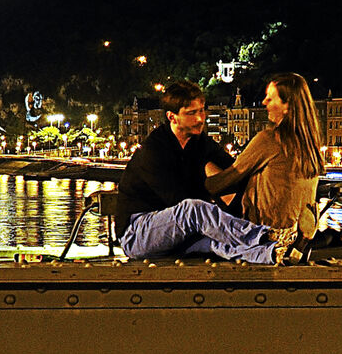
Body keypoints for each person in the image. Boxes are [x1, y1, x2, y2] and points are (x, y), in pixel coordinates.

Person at [113, 81, 277, 263]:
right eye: (191, 113)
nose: (200, 118)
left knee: (217, 243)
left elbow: (234, 172)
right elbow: (178, 201)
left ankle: (274, 253)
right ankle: (266, 236)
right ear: (172, 117)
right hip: (137, 233)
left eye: (201, 110)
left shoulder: (201, 143)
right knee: (193, 210)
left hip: (180, 231)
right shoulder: (154, 150)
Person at [205, 72, 326, 260]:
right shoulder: (311, 145)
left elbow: (222, 182)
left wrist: (197, 180)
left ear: (287, 105)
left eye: (270, 98)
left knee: (195, 208)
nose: (264, 102)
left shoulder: (270, 139)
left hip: (263, 236)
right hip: (295, 239)